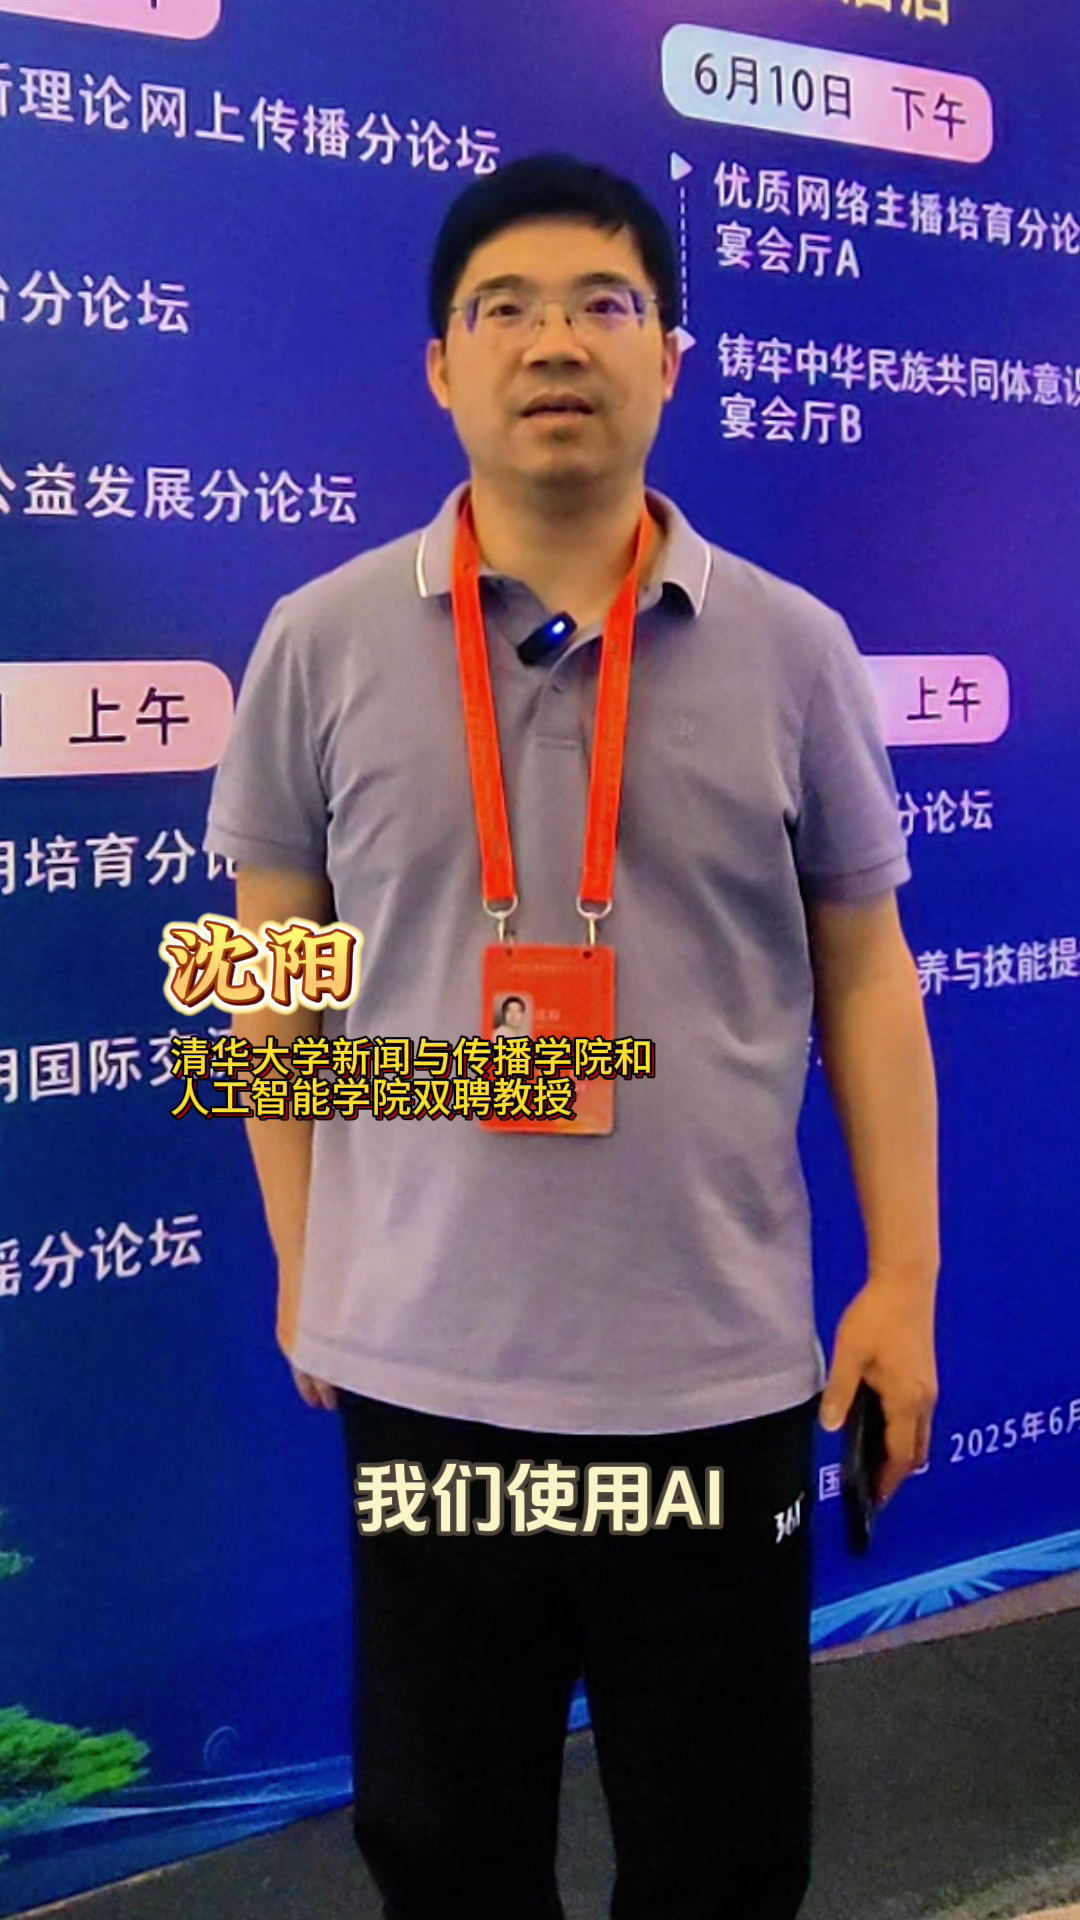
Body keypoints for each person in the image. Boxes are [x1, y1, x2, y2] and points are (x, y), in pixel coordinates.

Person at [203, 151, 940, 1920]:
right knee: (448, 1854)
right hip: (431, 1375)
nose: (554, 343)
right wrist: (308, 1262)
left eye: (603, 305)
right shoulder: (318, 641)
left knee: (720, 1859)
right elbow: (272, 971)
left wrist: (903, 1283)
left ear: (668, 360)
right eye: (503, 310)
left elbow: (867, 973)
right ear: (440, 367)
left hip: (715, 1381)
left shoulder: (795, 650)